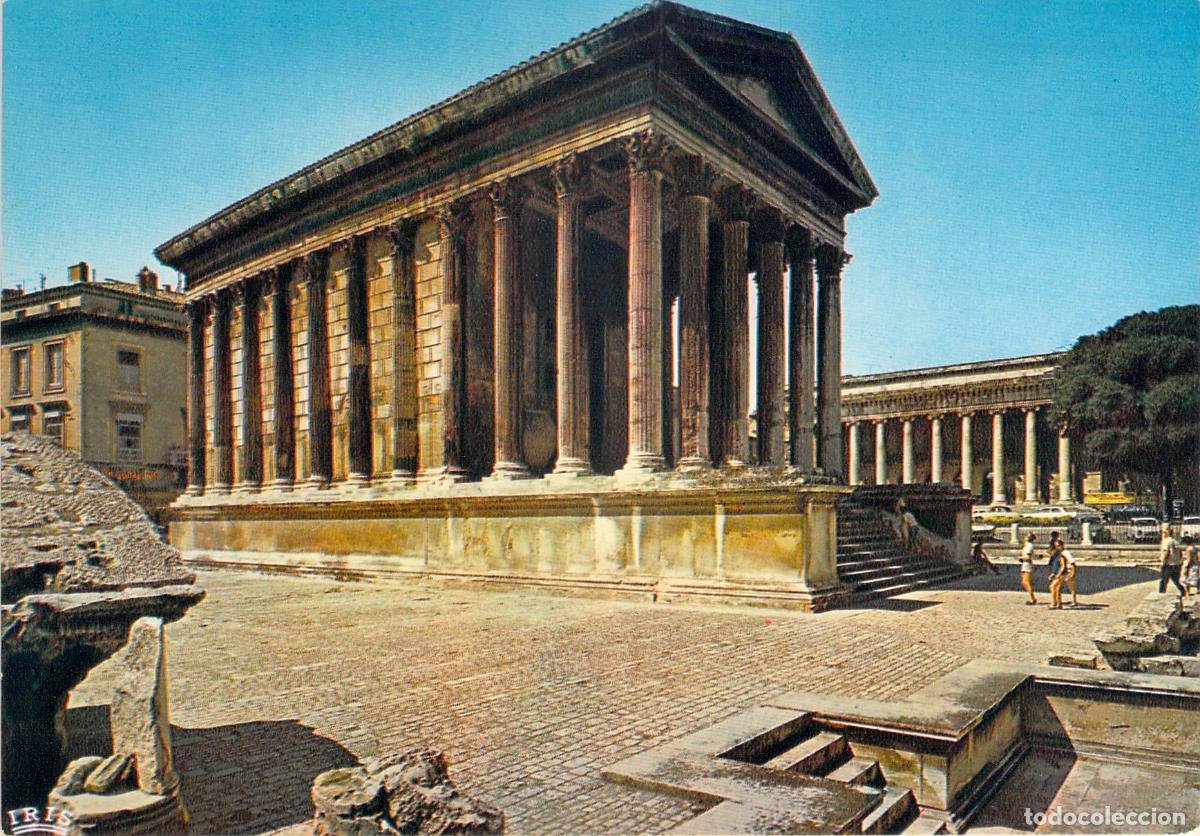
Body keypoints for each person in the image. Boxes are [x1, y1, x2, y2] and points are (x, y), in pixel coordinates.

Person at [1159, 525, 1185, 596]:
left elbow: (1166, 552)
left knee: (1163, 580)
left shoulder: (1166, 541)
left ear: (1166, 533)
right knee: (1176, 580)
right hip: (1177, 564)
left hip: (1168, 564)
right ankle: (1183, 591)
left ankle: (1161, 593)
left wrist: (1163, 562)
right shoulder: (1175, 541)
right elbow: (1180, 553)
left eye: (1163, 532)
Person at [1047, 540, 1067, 609]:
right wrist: (1053, 573)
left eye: (1058, 546)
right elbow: (1056, 566)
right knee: (1057, 589)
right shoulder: (1057, 555)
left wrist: (1058, 574)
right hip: (1058, 573)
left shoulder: (1061, 555)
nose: (1057, 548)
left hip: (1061, 574)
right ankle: (1059, 603)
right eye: (1056, 546)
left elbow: (1063, 566)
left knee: (1052, 587)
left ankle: (1054, 602)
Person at [1019, 533, 1038, 605]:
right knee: (1024, 582)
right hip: (1025, 564)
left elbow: (1028, 556)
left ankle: (1032, 598)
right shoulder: (1028, 545)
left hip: (1027, 564)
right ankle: (1032, 597)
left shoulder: (1029, 546)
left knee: (1026, 582)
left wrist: (1021, 558)